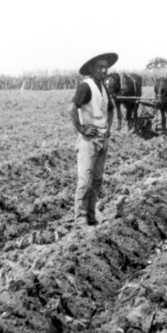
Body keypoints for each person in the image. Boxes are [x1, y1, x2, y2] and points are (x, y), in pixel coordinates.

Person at [70, 52, 117, 226]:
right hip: (89, 141)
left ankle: (91, 215)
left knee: (97, 179)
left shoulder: (103, 88)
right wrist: (81, 129)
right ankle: (80, 218)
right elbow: (72, 108)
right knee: (85, 180)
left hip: (102, 138)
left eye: (105, 67)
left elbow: (111, 109)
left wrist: (108, 128)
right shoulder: (86, 86)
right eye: (99, 67)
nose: (103, 70)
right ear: (91, 69)